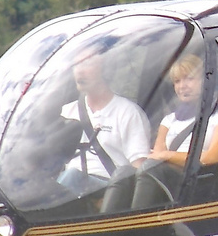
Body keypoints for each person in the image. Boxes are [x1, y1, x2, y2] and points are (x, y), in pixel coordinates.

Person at [57, 47, 152, 190]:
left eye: (87, 64)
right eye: (76, 65)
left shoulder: (128, 113)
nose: (79, 71)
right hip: (70, 193)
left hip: (112, 190)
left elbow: (139, 170)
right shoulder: (66, 111)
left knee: (72, 177)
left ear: (106, 70)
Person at [149, 54, 218, 167]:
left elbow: (212, 158)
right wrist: (164, 156)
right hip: (171, 180)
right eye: (177, 81)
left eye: (189, 78)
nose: (182, 86)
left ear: (205, 81)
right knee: (127, 171)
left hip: (206, 179)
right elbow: (156, 159)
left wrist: (168, 156)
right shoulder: (169, 120)